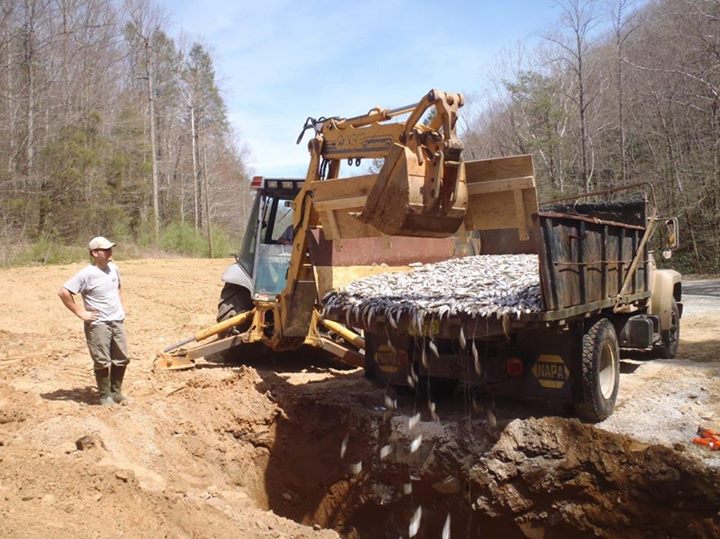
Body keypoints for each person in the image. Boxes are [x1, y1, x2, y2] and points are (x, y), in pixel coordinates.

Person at [58, 236, 129, 406]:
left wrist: (120, 306)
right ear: (95, 253)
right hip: (98, 324)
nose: (110, 251)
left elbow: (118, 286)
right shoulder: (86, 274)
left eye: (110, 248)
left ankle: (116, 392)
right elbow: (63, 292)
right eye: (105, 249)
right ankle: (105, 396)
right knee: (102, 360)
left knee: (122, 358)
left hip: (116, 320)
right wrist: (80, 313)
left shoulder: (113, 268)